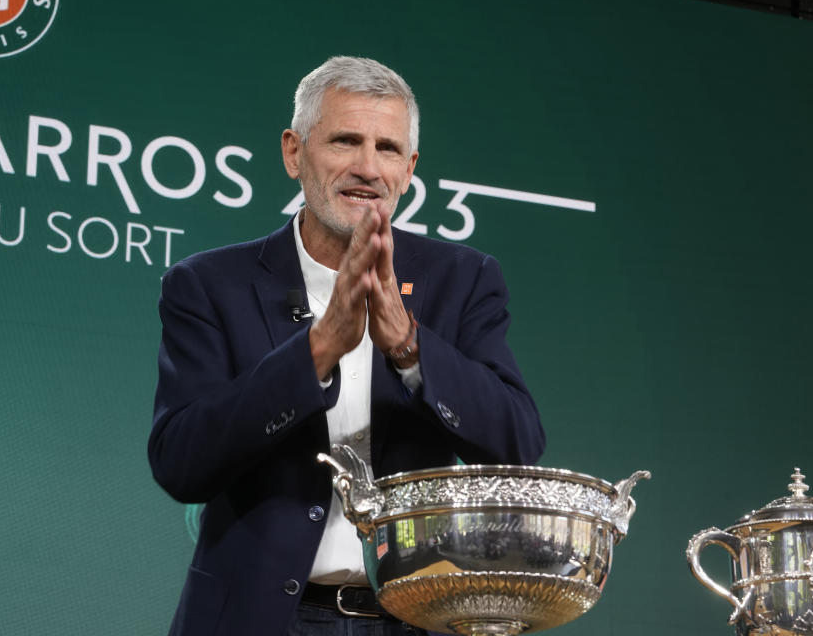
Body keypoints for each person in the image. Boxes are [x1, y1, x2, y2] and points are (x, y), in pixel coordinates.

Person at [149, 56, 545, 636]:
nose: (367, 167)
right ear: (294, 152)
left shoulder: (463, 279)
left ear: (409, 169)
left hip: (412, 620)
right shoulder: (208, 284)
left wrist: (410, 348)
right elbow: (181, 463)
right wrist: (315, 351)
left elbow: (518, 441)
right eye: (344, 141)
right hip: (256, 619)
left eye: (387, 148)